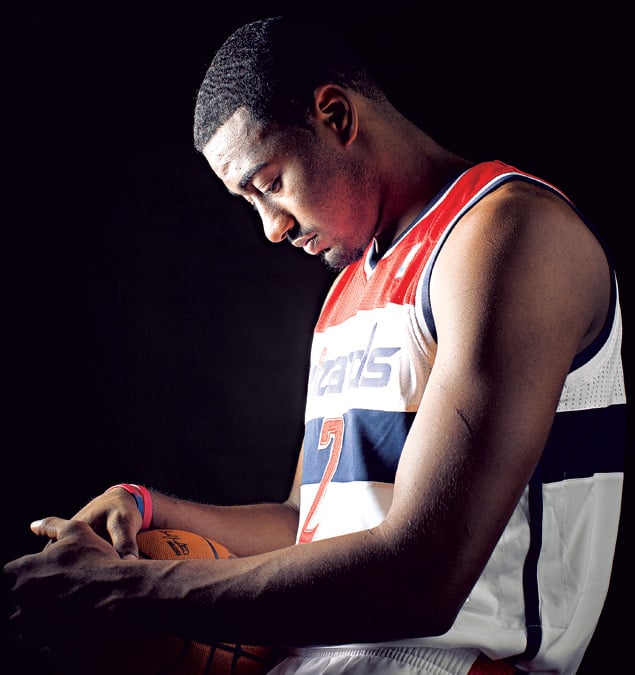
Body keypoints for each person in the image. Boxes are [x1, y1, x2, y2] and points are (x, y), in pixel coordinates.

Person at [4, 15, 626, 675]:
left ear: (335, 115)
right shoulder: (344, 296)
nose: (270, 228)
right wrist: (147, 505)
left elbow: (423, 572)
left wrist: (127, 592)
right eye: (248, 201)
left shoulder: (507, 235)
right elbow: (306, 518)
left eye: (269, 184)